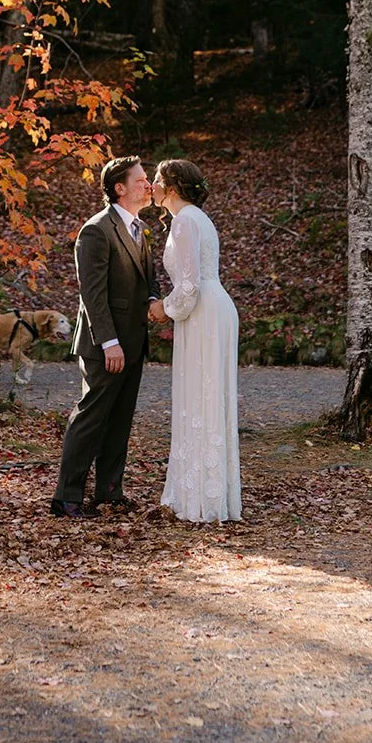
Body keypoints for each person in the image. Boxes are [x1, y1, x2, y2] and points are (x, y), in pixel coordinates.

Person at [50, 155, 160, 518]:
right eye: (140, 180)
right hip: (105, 345)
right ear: (119, 188)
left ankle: (109, 492)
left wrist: (154, 299)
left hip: (134, 341)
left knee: (120, 419)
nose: (148, 184)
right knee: (91, 418)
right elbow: (92, 294)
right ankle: (67, 498)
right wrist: (109, 342)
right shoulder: (96, 230)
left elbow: (149, 278)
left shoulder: (139, 228)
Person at [153, 158, 241, 523]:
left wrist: (163, 308)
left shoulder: (185, 221)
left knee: (201, 395)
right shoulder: (196, 218)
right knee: (205, 395)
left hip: (203, 312)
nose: (152, 186)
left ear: (171, 187)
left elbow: (188, 287)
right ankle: (203, 491)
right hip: (211, 309)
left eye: (157, 180)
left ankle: (203, 498)